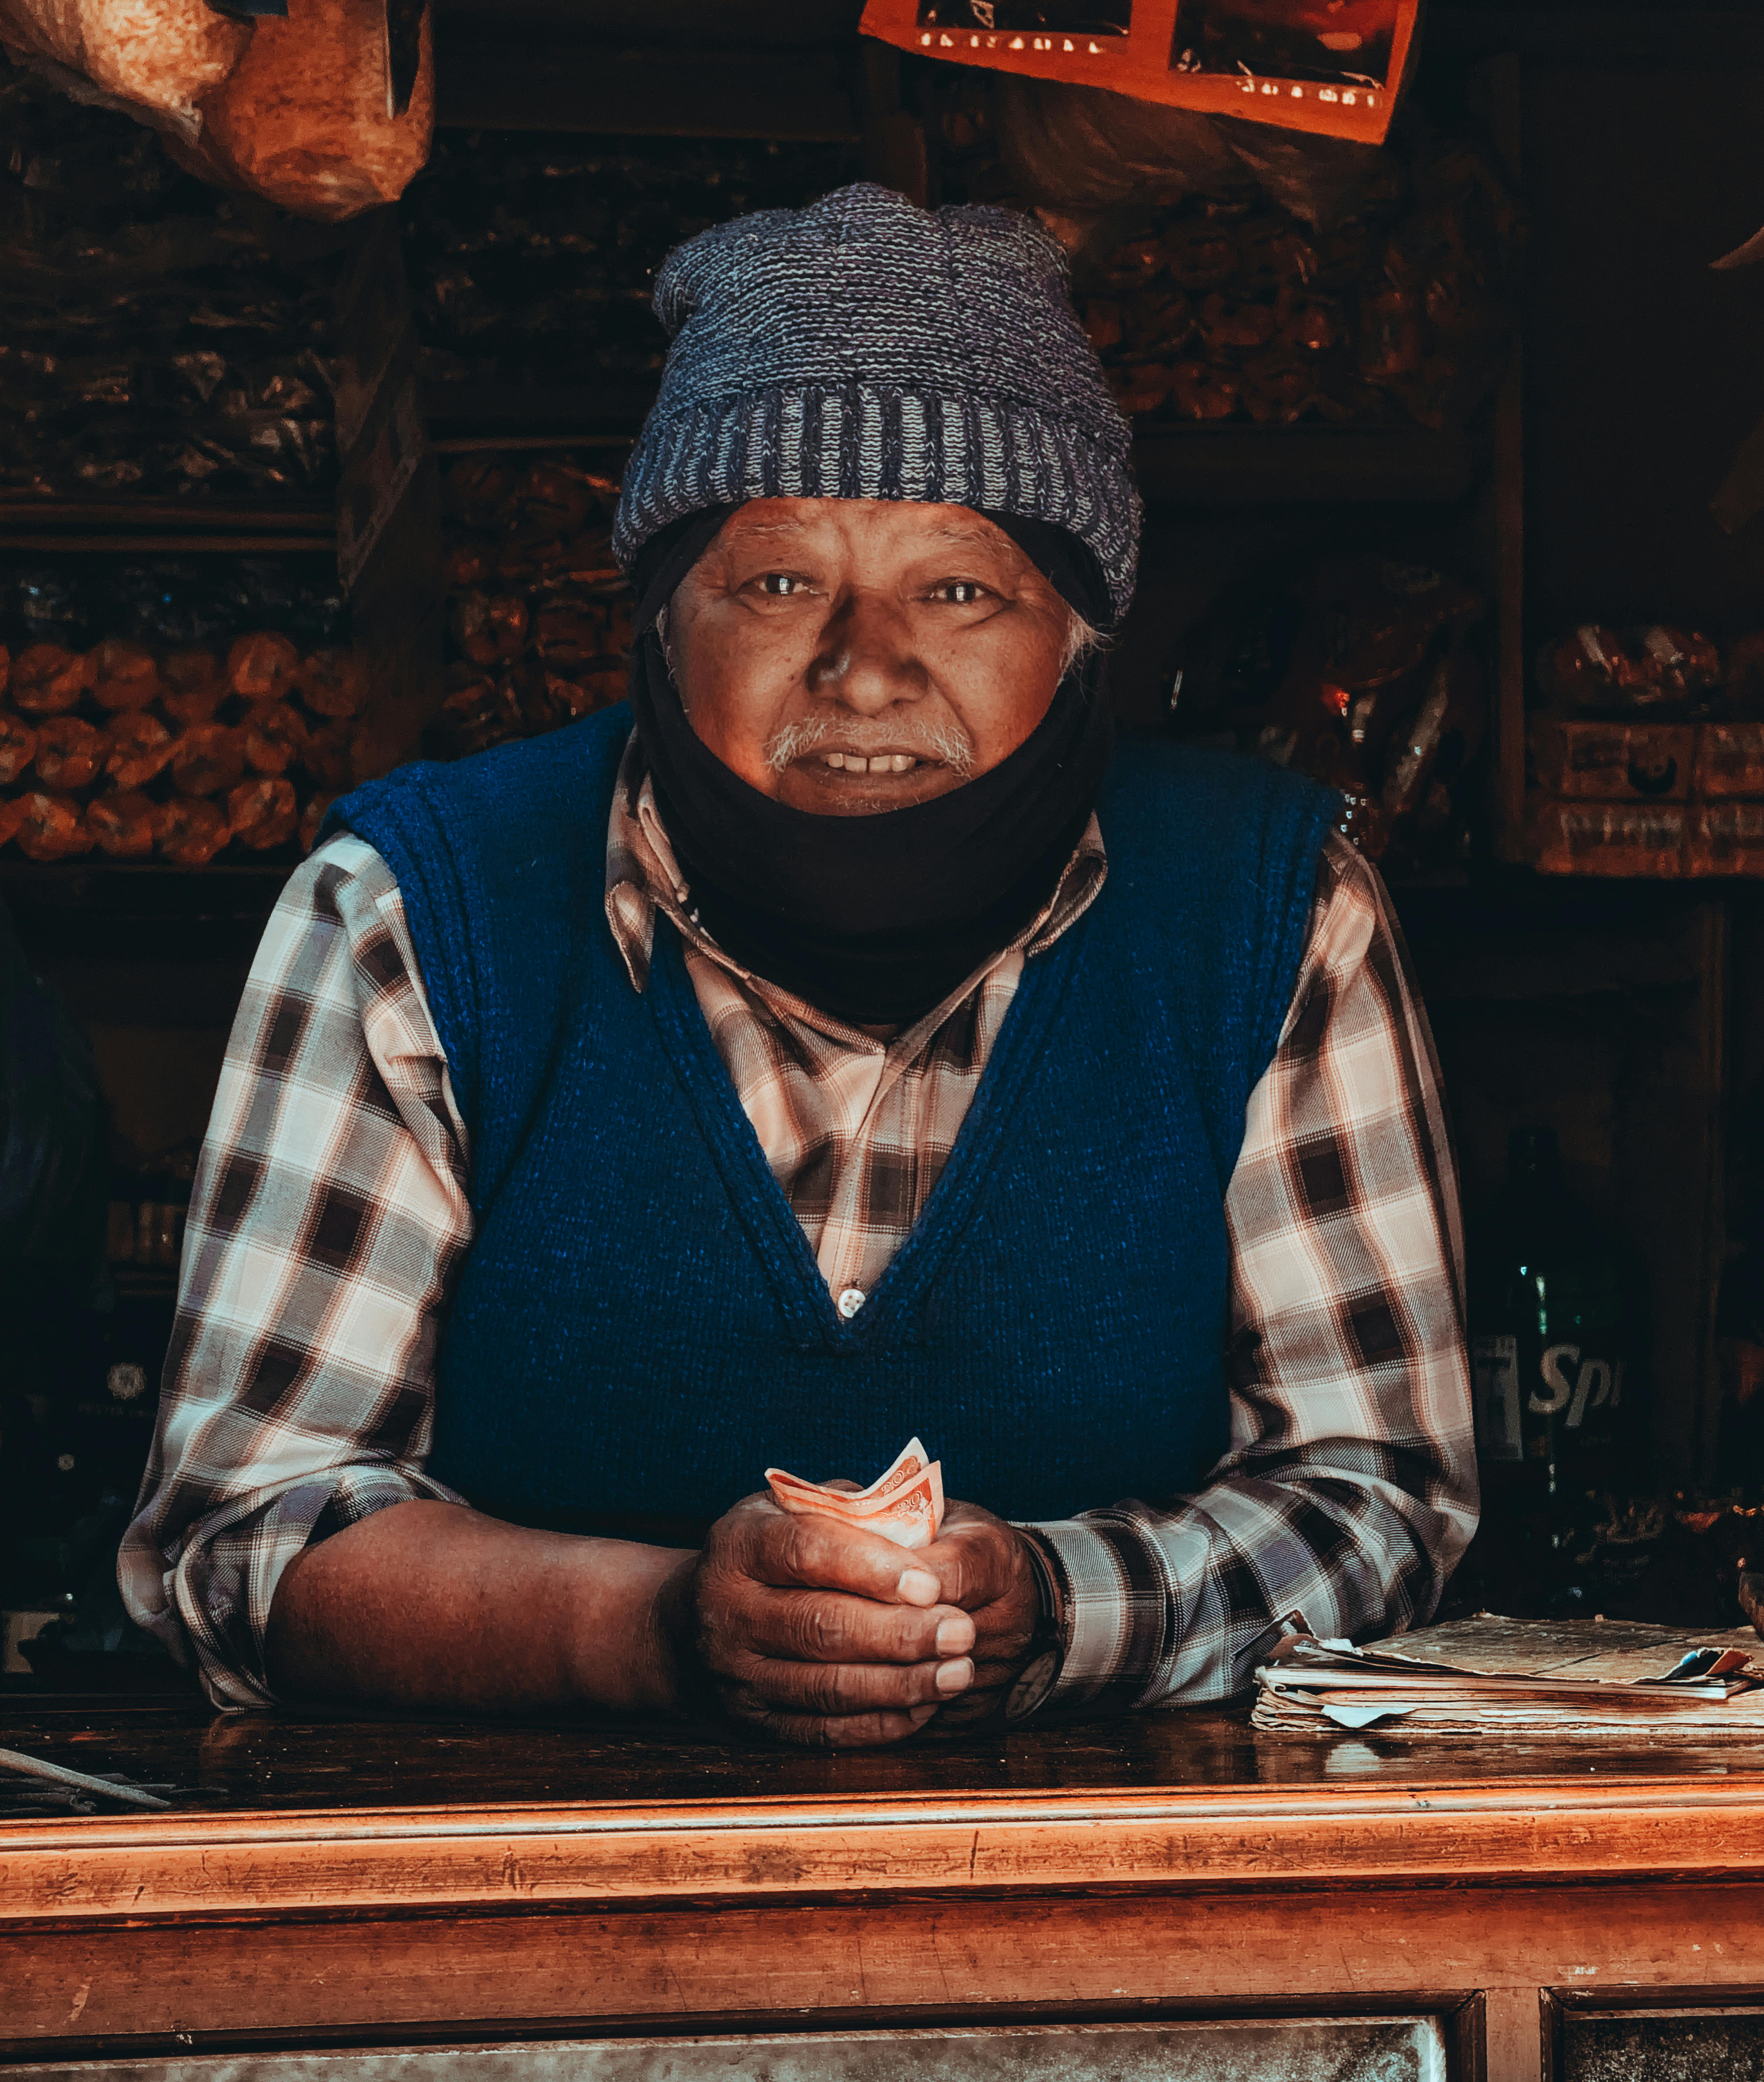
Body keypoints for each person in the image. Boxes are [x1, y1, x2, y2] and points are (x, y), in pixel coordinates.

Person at [122, 186, 1476, 1744]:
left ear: (1083, 633)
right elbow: (242, 1534)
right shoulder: (414, 913)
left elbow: (1382, 1494)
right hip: (512, 1915)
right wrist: (663, 1630)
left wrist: (1052, 1603)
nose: (867, 668)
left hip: (1129, 1913)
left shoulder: (1272, 913)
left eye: (959, 589)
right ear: (659, 618)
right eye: (777, 583)